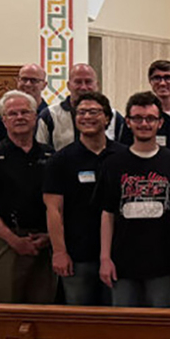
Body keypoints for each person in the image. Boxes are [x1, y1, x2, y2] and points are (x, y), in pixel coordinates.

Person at [0, 90, 56, 304]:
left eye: (25, 112)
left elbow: (60, 203)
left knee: (44, 305)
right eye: (12, 113)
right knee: (5, 304)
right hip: (4, 241)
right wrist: (13, 240)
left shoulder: (51, 155)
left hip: (44, 243)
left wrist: (49, 236)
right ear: (4, 120)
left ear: (35, 117)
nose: (20, 117)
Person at [98, 92, 170, 308]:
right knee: (125, 330)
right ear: (127, 122)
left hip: (161, 263)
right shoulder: (113, 163)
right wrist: (105, 258)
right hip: (122, 263)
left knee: (161, 330)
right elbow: (107, 214)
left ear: (160, 122)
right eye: (137, 118)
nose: (144, 124)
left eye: (150, 119)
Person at [44, 90, 123, 306]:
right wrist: (59, 252)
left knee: (116, 320)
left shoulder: (123, 156)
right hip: (77, 256)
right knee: (79, 321)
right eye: (82, 112)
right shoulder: (60, 160)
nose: (87, 117)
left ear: (107, 117)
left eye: (94, 112)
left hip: (119, 255)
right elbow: (53, 210)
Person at [37, 63, 125, 151]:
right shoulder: (49, 115)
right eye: (78, 82)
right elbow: (41, 151)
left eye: (88, 82)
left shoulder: (114, 117)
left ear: (97, 85)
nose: (83, 87)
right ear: (68, 85)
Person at [0, 64, 49, 142]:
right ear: (17, 81)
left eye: (33, 80)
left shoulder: (49, 115)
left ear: (44, 85)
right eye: (24, 79)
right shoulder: (6, 115)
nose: (28, 84)